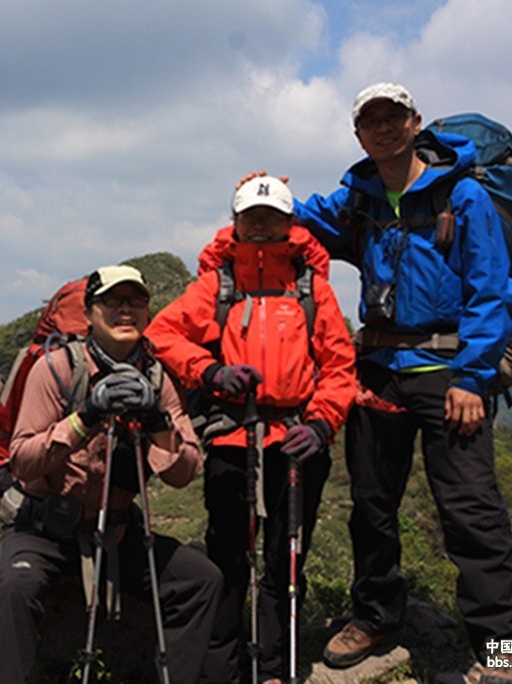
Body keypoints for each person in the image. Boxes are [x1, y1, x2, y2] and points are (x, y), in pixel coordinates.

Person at [281, 83, 512, 683]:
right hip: (379, 373)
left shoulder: (462, 194)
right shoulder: (359, 198)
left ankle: (510, 654)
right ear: (358, 133)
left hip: (451, 373)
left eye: (394, 117)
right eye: (372, 120)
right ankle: (377, 617)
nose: (384, 128)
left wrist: (472, 378)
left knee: (472, 512)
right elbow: (299, 217)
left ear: (416, 122)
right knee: (371, 505)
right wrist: (268, 194)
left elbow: (493, 289)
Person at [145, 177, 357, 683]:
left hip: (296, 437)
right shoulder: (216, 287)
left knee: (287, 560)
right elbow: (162, 334)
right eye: (251, 216)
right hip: (231, 435)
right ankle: (223, 666)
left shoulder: (311, 290)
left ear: (289, 225)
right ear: (235, 223)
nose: (261, 225)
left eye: (271, 217)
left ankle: (275, 668)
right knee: (227, 556)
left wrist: (324, 421)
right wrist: (210, 370)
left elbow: (339, 366)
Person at [0, 265, 224, 684]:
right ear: (91, 312)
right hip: (43, 526)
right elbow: (22, 460)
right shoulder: (57, 369)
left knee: (200, 579)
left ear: (148, 311)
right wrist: (85, 418)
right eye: (113, 301)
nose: (125, 310)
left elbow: (184, 473)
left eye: (135, 301)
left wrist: (157, 421)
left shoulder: (157, 377)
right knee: (16, 590)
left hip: (116, 530)